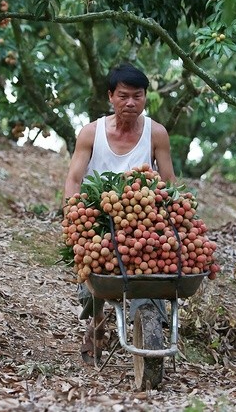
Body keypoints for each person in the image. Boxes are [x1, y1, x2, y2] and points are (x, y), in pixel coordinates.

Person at [63, 63, 176, 364]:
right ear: (110, 96)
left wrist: (174, 217)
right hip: (99, 219)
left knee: (152, 270)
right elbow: (74, 178)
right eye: (123, 95)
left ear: (145, 98)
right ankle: (96, 322)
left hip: (144, 220)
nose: (130, 103)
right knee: (94, 271)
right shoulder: (91, 133)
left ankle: (148, 317)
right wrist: (72, 215)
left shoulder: (157, 134)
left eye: (137, 96)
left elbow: (169, 182)